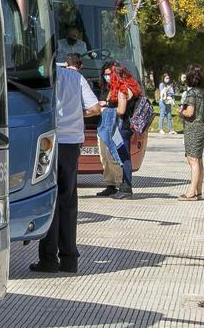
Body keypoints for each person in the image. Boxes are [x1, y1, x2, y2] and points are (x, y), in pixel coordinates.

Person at [31, 53, 103, 274]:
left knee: (49, 198)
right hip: (72, 143)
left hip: (48, 141)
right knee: (68, 200)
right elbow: (95, 108)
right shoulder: (76, 78)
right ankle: (70, 258)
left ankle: (49, 258)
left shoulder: (43, 76)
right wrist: (78, 114)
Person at [107, 64, 143, 199]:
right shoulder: (132, 87)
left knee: (124, 157)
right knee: (125, 156)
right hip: (128, 126)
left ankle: (126, 188)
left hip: (123, 126)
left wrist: (108, 110)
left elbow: (121, 110)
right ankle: (124, 186)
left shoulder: (123, 90)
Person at [178, 64, 204, 200]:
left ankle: (191, 192)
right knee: (199, 160)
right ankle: (198, 190)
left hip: (193, 129)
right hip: (203, 127)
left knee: (193, 160)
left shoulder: (192, 93)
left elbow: (190, 112)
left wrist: (181, 111)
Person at [94, 61, 126, 198]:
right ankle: (110, 184)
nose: (107, 76)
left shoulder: (119, 88)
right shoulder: (105, 88)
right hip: (102, 126)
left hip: (113, 127)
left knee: (112, 155)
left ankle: (121, 183)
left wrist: (106, 106)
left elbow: (120, 109)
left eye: (109, 74)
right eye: (105, 74)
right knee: (104, 157)